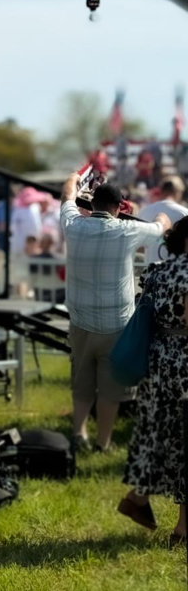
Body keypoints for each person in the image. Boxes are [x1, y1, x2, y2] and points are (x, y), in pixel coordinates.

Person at [60, 175, 170, 453]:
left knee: (82, 383)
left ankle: (78, 434)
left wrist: (74, 177)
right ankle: (102, 442)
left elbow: (67, 198)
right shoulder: (127, 231)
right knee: (111, 390)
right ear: (119, 206)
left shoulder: (73, 226)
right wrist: (160, 213)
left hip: (80, 320)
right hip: (116, 325)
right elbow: (161, 227)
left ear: (93, 203)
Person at [120, 217, 188, 542]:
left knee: (157, 430)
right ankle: (183, 528)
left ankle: (138, 497)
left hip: (157, 360)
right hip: (184, 362)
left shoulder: (158, 271)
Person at [138, 177, 188, 265]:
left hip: (149, 270)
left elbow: (139, 247)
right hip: (176, 271)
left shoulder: (144, 211)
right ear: (178, 192)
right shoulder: (184, 212)